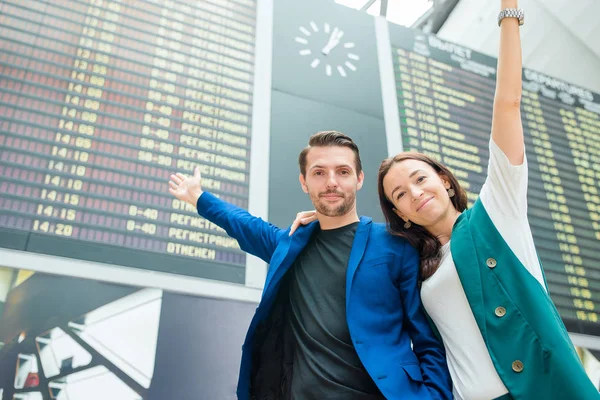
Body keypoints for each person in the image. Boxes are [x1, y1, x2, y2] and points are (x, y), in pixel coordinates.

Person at [292, 2, 600, 399]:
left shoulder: (497, 213)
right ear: (398, 214)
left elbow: (508, 104)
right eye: (400, 194)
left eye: (420, 179)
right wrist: (323, 221)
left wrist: (509, 15)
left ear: (446, 181)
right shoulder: (416, 266)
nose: (415, 193)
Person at [169, 131, 452, 399]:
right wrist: (198, 197)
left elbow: (427, 338)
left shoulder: (396, 244)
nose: (331, 182)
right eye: (319, 173)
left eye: (343, 172)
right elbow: (243, 224)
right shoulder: (290, 244)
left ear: (359, 179)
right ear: (304, 182)